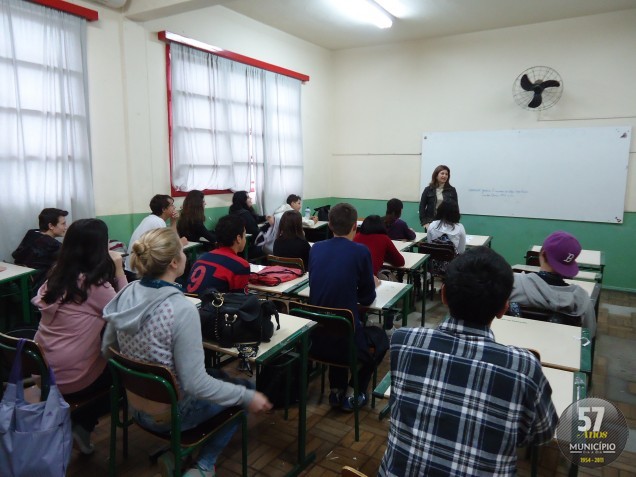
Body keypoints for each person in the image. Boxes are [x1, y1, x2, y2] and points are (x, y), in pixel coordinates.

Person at [102, 228, 272, 477]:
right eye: (181, 251)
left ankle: (176, 453)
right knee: (242, 392)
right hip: (170, 414)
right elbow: (196, 385)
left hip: (134, 406)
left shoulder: (127, 293)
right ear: (173, 262)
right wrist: (247, 397)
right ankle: (204, 466)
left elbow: (107, 349)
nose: (185, 254)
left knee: (220, 376)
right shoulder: (180, 309)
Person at [379, 247, 557, 476]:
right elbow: (542, 433)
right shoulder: (524, 367)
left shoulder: (403, 341)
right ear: (504, 309)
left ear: (443, 295)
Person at [32, 218, 127, 455]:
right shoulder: (93, 284)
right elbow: (126, 312)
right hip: (70, 378)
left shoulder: (55, 274)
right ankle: (82, 424)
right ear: (99, 248)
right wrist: (119, 270)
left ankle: (72, 421)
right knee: (127, 375)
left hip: (41, 370)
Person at [308, 203, 388, 411]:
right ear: (355, 226)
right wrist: (373, 282)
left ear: (330, 225)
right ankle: (355, 391)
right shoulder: (361, 252)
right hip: (346, 341)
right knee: (380, 339)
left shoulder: (316, 248)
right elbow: (367, 298)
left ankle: (336, 389)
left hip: (315, 338)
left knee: (337, 320)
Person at [509, 231, 597, 337]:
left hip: (514, 344)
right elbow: (588, 337)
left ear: (542, 253)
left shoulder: (511, 285)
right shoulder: (582, 302)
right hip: (560, 351)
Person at [186, 215, 250, 295]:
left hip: (192, 303)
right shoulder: (241, 265)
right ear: (238, 238)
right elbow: (240, 300)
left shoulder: (201, 259)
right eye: (244, 235)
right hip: (213, 306)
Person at [125, 194, 186, 275]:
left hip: (131, 268)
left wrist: (174, 221)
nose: (174, 207)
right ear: (164, 209)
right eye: (172, 205)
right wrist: (181, 243)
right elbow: (172, 245)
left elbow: (171, 239)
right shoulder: (157, 222)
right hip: (138, 272)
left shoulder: (150, 219)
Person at [12, 207, 69, 288]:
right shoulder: (52, 245)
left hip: (21, 281)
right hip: (40, 285)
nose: (66, 227)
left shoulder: (32, 233)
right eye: (63, 224)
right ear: (51, 226)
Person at [229, 190, 271, 259]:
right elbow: (256, 232)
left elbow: (254, 219)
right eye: (248, 197)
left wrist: (265, 217)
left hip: (238, 248)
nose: (251, 199)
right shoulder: (245, 214)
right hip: (249, 248)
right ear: (243, 200)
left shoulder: (233, 211)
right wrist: (268, 225)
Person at [419, 164, 458, 229]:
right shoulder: (428, 189)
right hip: (431, 222)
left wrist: (455, 223)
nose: (444, 176)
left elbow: (455, 208)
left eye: (446, 174)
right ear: (436, 175)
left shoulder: (452, 190)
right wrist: (424, 223)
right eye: (442, 173)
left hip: (447, 223)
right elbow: (422, 207)